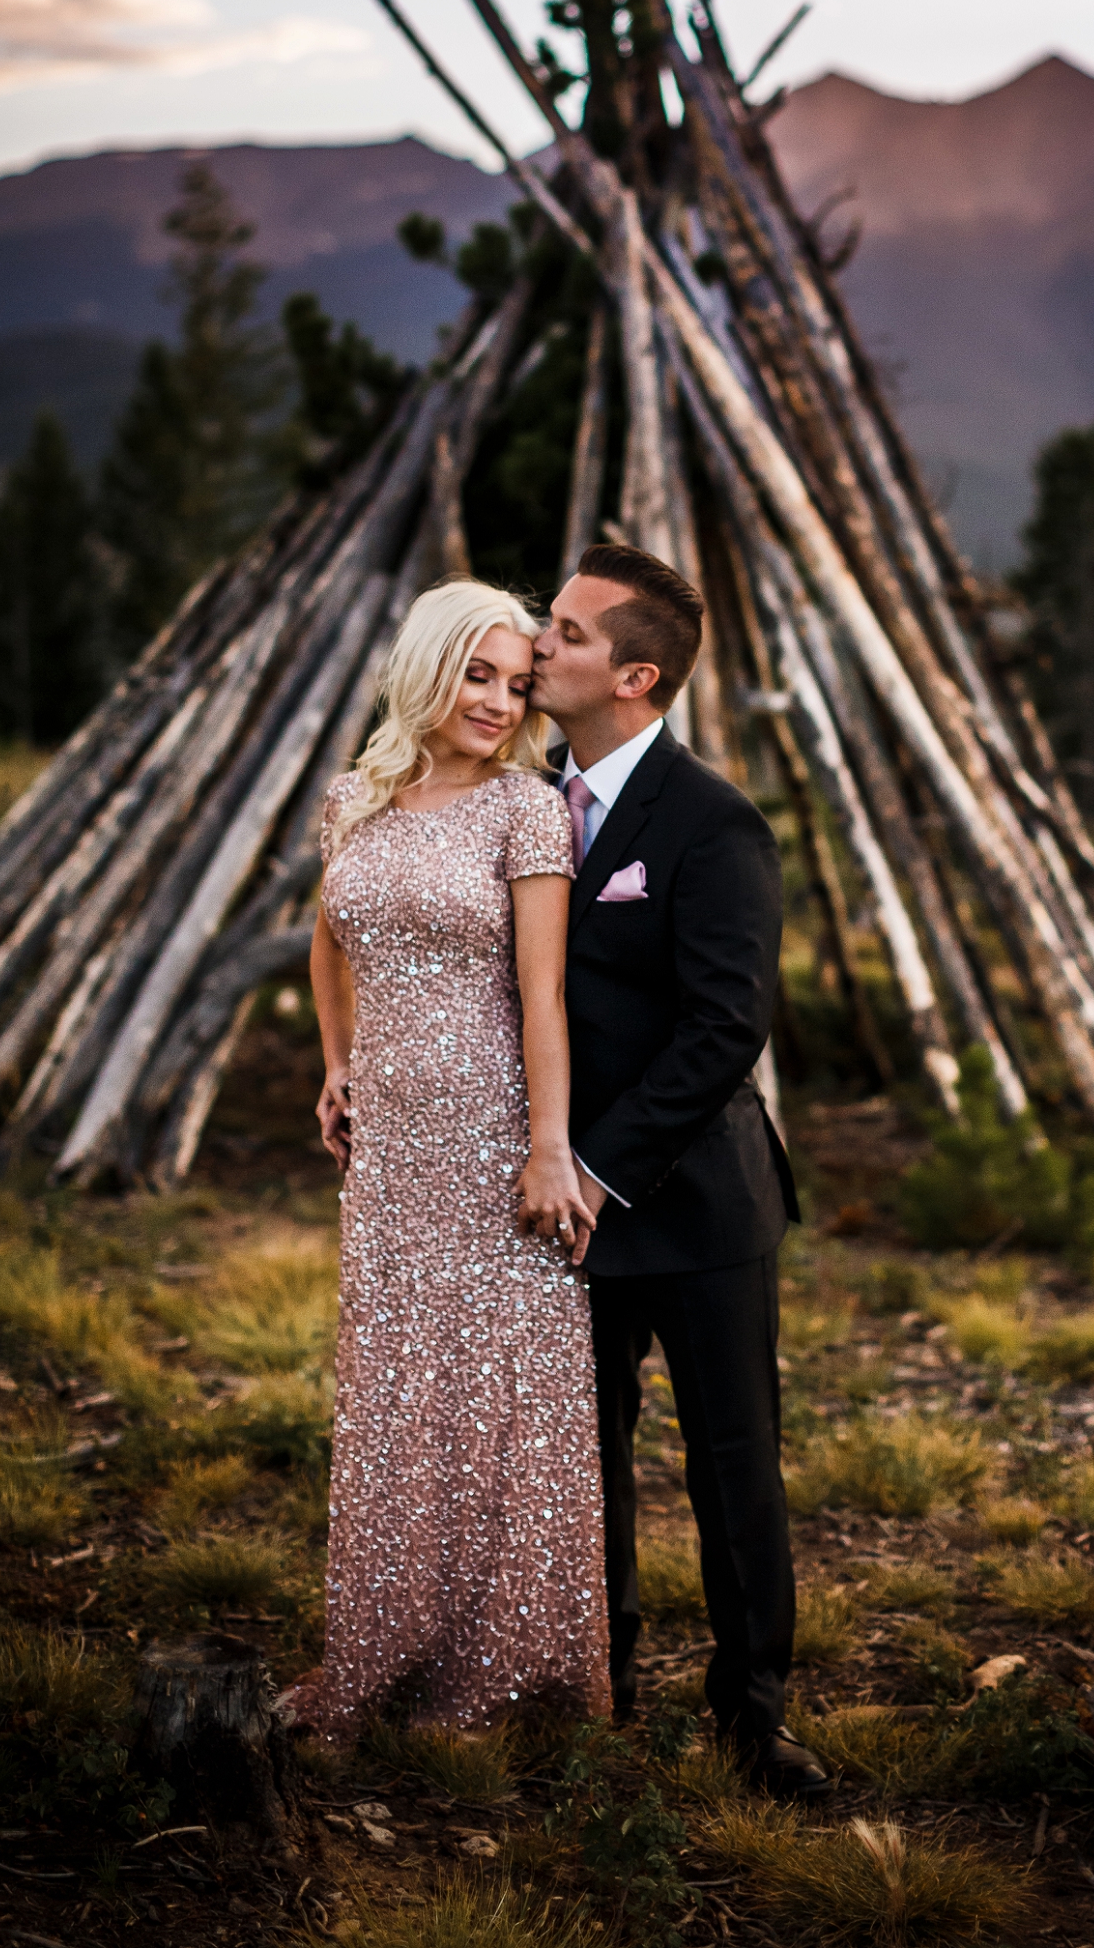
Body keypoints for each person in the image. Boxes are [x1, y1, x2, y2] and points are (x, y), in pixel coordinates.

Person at [530, 542, 830, 1799]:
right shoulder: (524, 802)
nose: (536, 646)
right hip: (557, 1212)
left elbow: (724, 1027)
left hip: (696, 1206)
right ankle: (596, 1682)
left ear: (635, 677)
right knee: (578, 1456)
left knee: (730, 1460)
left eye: (565, 633)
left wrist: (594, 1165)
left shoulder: (711, 822)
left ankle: (752, 1713)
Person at [299, 579, 609, 1738]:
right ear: (428, 667)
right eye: (477, 674)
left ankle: (506, 1672)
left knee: (499, 1391)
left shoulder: (526, 811)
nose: (496, 700)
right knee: (398, 1385)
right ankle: (384, 1642)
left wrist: (546, 1149)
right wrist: (338, 1064)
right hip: (389, 1155)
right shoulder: (355, 800)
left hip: (493, 1140)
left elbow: (544, 998)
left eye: (515, 683)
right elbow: (331, 944)